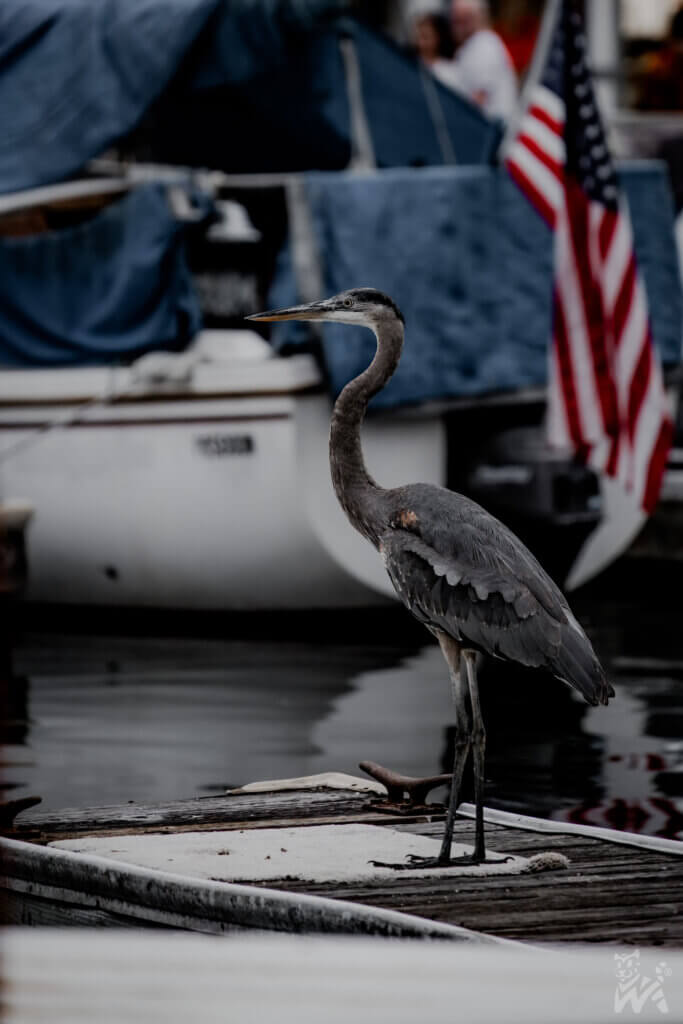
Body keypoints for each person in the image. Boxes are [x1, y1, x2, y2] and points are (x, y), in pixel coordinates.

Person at [449, 0, 518, 121]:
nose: (456, 27)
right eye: (455, 20)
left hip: (488, 130)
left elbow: (478, 99)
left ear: (477, 17)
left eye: (462, 20)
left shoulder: (485, 44)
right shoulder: (472, 45)